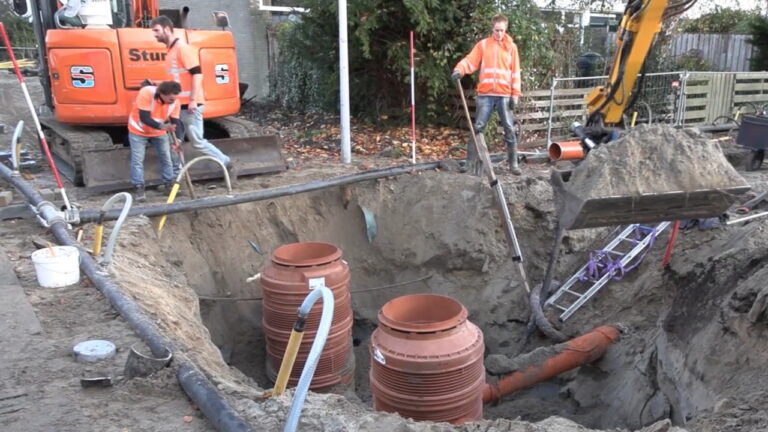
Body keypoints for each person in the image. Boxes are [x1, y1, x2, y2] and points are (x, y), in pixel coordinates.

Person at [149, 15, 236, 177]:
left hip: (189, 106)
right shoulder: (171, 52)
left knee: (197, 142)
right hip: (177, 106)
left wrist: (193, 100)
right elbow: (176, 80)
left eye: (156, 30)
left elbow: (197, 74)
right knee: (174, 143)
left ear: (167, 29)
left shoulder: (182, 49)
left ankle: (226, 163)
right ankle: (175, 178)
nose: (154, 34)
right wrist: (159, 84)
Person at [452, 14, 522, 176]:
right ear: (492, 28)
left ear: (506, 29)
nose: (499, 33)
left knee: (509, 129)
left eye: (502, 30)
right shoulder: (483, 45)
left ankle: (513, 164)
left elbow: (515, 72)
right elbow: (470, 61)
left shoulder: (512, 48)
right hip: (485, 95)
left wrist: (515, 95)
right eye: (497, 30)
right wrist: (459, 70)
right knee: (477, 128)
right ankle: (470, 162)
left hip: (504, 95)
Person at [127, 80, 181, 202]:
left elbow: (175, 121)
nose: (173, 100)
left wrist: (177, 139)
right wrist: (163, 127)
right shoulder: (146, 93)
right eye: (170, 97)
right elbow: (144, 117)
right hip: (138, 130)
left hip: (158, 132)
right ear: (162, 93)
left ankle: (169, 184)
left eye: (175, 96)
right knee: (137, 160)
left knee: (166, 157)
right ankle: (139, 187)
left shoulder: (175, 102)